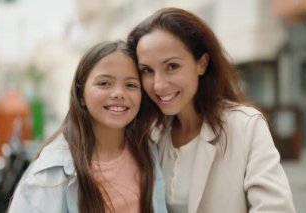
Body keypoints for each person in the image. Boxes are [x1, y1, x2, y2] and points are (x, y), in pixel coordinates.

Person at [127, 7, 296, 213]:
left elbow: (276, 208)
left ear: (202, 64)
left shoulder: (245, 126)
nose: (159, 85)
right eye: (147, 70)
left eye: (172, 66)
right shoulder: (152, 134)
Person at [8, 41, 166, 213]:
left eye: (131, 85)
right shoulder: (52, 172)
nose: (119, 93)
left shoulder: (148, 151)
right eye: (104, 83)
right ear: (81, 95)